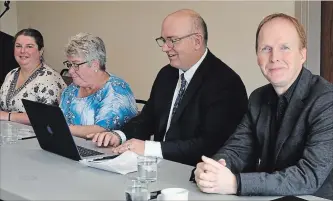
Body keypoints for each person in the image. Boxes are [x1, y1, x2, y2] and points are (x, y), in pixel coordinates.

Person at [194, 13, 333, 200]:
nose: (274, 57)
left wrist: (236, 183)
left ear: (302, 54)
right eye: (266, 48)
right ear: (257, 56)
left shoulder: (326, 100)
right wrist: (215, 169)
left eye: (284, 47)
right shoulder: (258, 98)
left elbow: (309, 177)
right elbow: (237, 149)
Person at [88, 9, 248, 166]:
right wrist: (119, 135)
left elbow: (210, 145)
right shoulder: (167, 74)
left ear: (197, 41)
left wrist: (149, 148)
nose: (165, 48)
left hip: (194, 176)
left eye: (172, 40)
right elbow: (148, 118)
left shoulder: (226, 83)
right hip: (156, 169)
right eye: (163, 40)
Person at [59, 33, 138, 138]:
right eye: (69, 64)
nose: (70, 71)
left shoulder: (117, 90)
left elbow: (101, 131)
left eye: (76, 64)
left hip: (108, 151)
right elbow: (59, 119)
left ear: (95, 64)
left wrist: (61, 128)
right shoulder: (72, 89)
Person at [0, 28, 66, 125]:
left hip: (35, 137)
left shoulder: (50, 78)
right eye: (18, 46)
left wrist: (7, 116)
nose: (22, 51)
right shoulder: (11, 74)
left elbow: (47, 116)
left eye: (29, 46)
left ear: (41, 51)